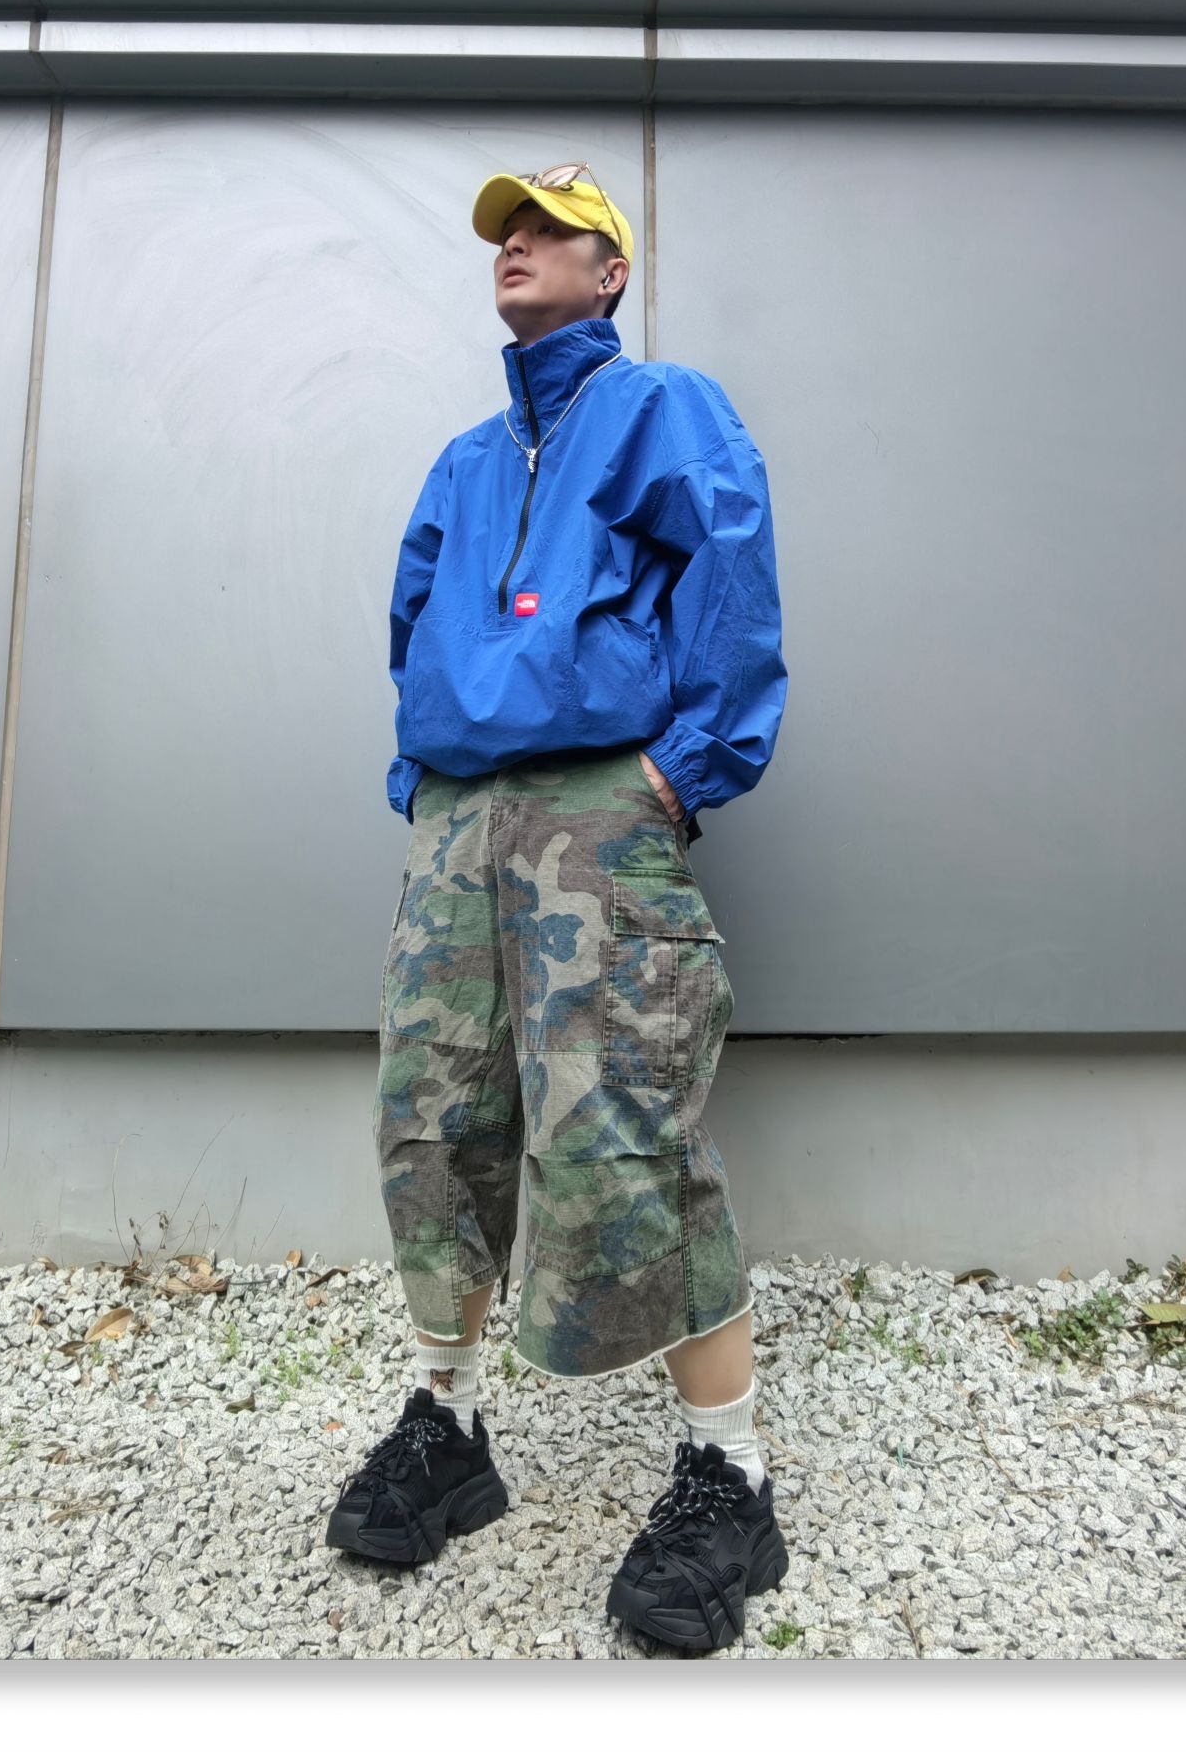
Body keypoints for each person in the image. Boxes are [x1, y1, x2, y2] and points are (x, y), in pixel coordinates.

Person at [325, 162, 789, 1655]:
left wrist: (676, 775)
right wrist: (423, 780)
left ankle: (731, 1476)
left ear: (611, 272)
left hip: (601, 803)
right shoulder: (465, 461)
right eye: (504, 231)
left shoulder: (662, 408)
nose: (516, 245)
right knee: (432, 1118)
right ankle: (448, 1425)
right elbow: (412, 619)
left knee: (623, 1124)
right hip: (462, 816)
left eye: (550, 229)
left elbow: (732, 579)